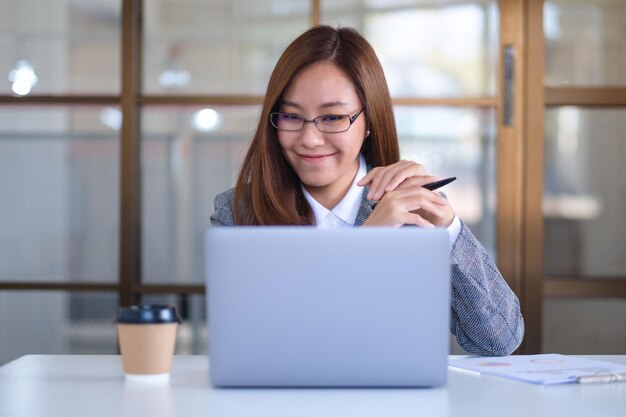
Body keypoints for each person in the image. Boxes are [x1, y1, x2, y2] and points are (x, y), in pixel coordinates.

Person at [210, 25, 524, 356]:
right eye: (291, 116)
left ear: (369, 119)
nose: (310, 139)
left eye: (332, 117)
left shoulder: (410, 207)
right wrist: (365, 245)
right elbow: (255, 344)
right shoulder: (238, 211)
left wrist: (449, 230)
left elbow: (499, 340)